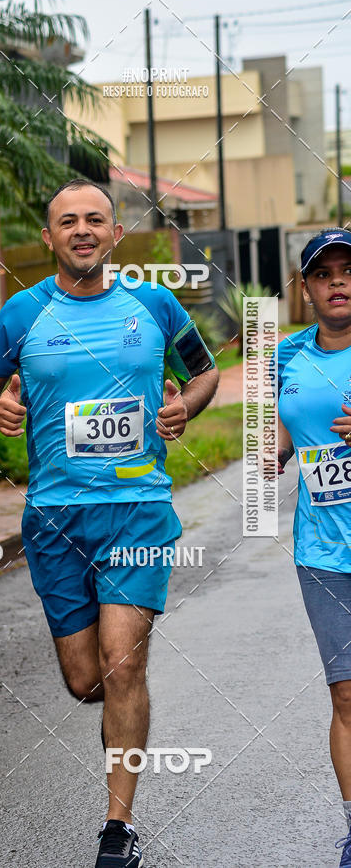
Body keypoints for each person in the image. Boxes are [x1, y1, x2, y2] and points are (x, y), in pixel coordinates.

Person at [0, 178, 219, 866]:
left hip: (137, 511)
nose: (82, 229)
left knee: (121, 660)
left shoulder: (154, 304)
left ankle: (117, 825)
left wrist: (186, 406)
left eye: (95, 219)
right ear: (48, 238)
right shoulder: (21, 313)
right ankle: (122, 707)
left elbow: (205, 371)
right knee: (87, 679)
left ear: (113, 234)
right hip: (54, 520)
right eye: (67, 220)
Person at [276, 227, 351, 867]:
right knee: (348, 695)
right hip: (324, 555)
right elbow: (266, 451)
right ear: (306, 289)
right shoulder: (285, 357)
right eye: (323, 273)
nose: (338, 281)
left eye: (347, 270)